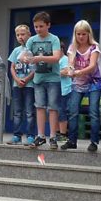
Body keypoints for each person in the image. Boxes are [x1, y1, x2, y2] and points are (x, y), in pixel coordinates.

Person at [61, 21, 101, 152]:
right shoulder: (72, 48)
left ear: (88, 34)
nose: (81, 37)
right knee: (72, 111)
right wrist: (69, 70)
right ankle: (72, 140)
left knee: (93, 111)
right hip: (78, 83)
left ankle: (94, 142)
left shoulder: (94, 47)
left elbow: (92, 66)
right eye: (78, 34)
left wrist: (79, 72)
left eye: (84, 34)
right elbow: (70, 64)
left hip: (94, 82)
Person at [24, 12, 62, 149]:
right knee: (39, 107)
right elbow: (24, 55)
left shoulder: (54, 39)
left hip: (53, 78)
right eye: (36, 27)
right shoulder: (31, 40)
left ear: (48, 25)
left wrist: (38, 58)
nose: (38, 29)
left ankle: (52, 136)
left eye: (41, 26)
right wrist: (25, 58)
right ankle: (40, 136)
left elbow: (56, 57)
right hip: (38, 79)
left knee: (52, 107)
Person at [7, 24, 36, 145]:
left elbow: (35, 68)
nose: (20, 37)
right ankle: (16, 135)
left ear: (29, 35)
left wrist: (26, 79)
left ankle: (30, 135)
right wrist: (17, 79)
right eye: (18, 35)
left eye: (23, 34)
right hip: (17, 85)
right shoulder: (16, 50)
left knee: (29, 111)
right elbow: (12, 67)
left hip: (29, 85)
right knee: (17, 111)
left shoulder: (33, 50)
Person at [57, 38, 72, 145]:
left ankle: (63, 134)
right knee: (57, 112)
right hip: (57, 90)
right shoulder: (55, 60)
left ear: (61, 49)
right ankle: (58, 133)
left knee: (63, 112)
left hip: (65, 90)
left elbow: (67, 71)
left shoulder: (65, 59)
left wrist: (54, 73)